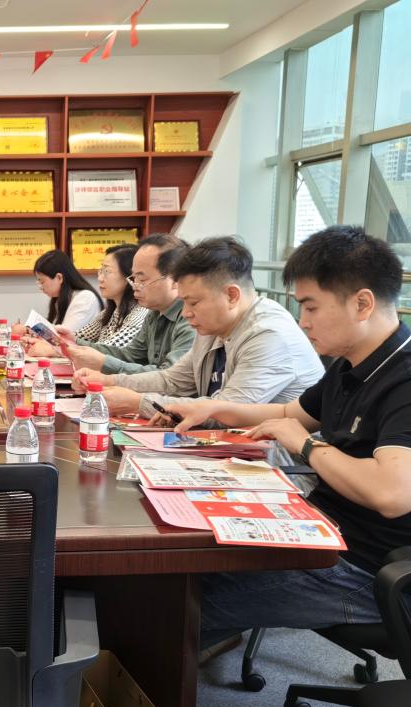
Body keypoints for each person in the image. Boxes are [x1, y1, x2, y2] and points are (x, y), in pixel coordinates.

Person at [167, 226, 411, 636]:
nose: (303, 321)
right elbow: (288, 412)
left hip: (368, 571)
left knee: (181, 601)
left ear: (362, 304)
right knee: (179, 567)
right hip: (319, 531)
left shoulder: (403, 378)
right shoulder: (350, 363)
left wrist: (307, 445)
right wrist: (215, 407)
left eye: (311, 307)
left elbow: (392, 493)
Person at [73, 236, 323, 417]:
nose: (186, 313)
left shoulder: (268, 334)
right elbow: (173, 380)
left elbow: (227, 413)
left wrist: (138, 403)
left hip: (277, 464)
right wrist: (109, 380)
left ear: (232, 295)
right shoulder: (213, 327)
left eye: (193, 303)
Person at [58, 233, 196, 374]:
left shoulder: (191, 318)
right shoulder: (154, 313)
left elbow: (170, 376)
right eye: (133, 278)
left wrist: (104, 364)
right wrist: (75, 341)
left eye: (142, 280)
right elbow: (131, 355)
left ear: (175, 279)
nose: (134, 286)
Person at [28, 243, 148, 356]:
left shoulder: (140, 313)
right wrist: (67, 338)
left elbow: (108, 351)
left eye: (107, 271)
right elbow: (80, 337)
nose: (100, 278)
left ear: (130, 276)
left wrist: (57, 348)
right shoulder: (111, 311)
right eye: (101, 271)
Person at [20, 249, 103, 335]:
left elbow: (64, 336)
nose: (40, 287)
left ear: (59, 278)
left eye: (42, 281)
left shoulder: (85, 298)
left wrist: (27, 330)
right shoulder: (60, 299)